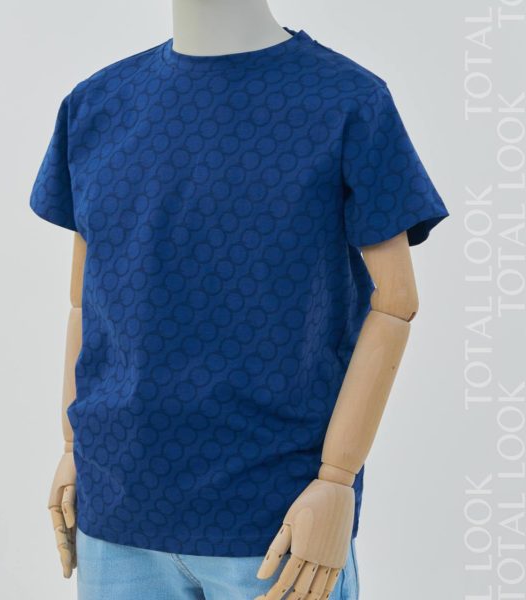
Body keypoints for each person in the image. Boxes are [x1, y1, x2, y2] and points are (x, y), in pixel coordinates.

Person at [31, 2, 449, 598]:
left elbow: (397, 301)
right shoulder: (97, 105)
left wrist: (336, 480)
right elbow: (84, 301)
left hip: (277, 518)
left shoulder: (348, 102)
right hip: (115, 508)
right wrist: (75, 445)